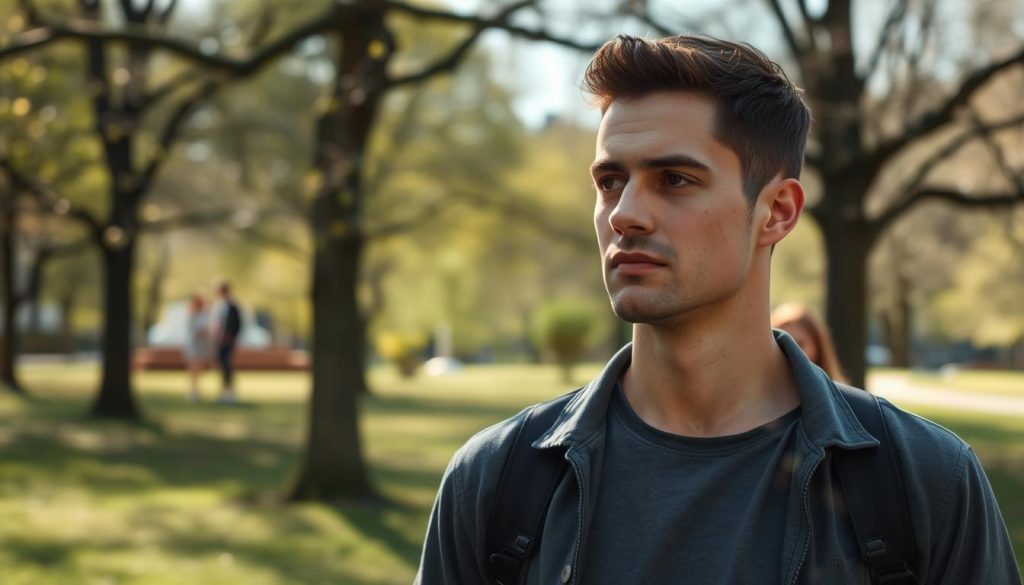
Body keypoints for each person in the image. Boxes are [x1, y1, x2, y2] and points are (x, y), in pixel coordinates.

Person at [415, 34, 1021, 584]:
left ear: (777, 212)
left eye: (675, 179)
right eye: (610, 181)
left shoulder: (924, 482)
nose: (625, 214)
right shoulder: (495, 482)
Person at [771, 302, 847, 383]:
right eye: (781, 345)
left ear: (817, 346)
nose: (789, 351)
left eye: (799, 345)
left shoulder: (837, 390)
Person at [210, 280, 242, 404]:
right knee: (222, 366)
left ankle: (230, 393)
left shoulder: (233, 306)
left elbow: (237, 324)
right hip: (218, 341)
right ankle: (223, 392)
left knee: (228, 366)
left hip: (228, 342)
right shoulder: (218, 305)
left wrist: (231, 337)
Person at [183, 293, 211, 402]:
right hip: (194, 344)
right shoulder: (191, 314)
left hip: (203, 344)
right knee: (193, 367)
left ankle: (196, 389)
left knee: (199, 367)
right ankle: (192, 390)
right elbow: (193, 329)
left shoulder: (205, 314)